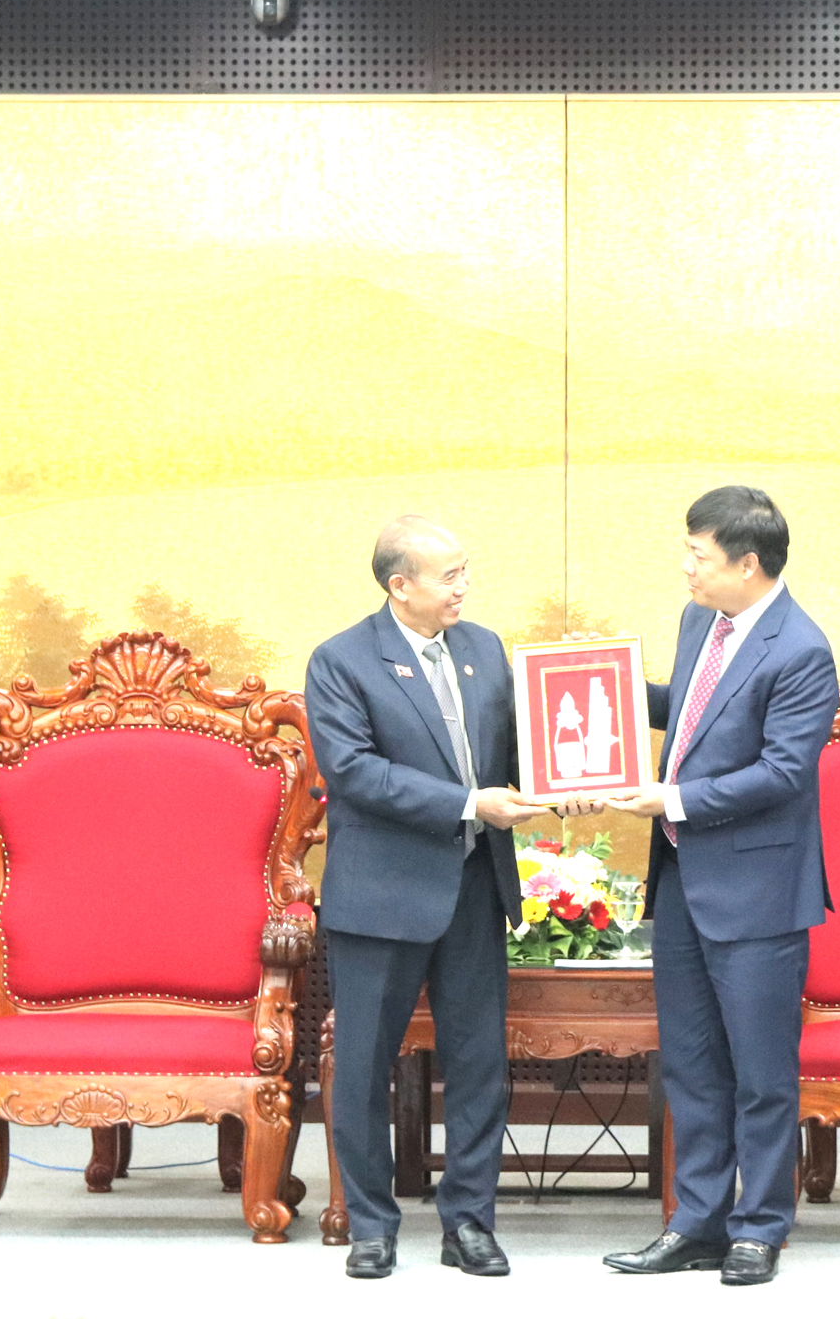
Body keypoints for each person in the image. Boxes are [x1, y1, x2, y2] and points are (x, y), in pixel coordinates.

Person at [599, 486, 840, 1286]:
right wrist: (593, 680)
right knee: (692, 1067)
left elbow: (781, 771)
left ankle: (759, 1226)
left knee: (761, 1073)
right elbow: (692, 715)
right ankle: (695, 1222)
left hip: (759, 894)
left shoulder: (802, 650)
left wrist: (671, 799)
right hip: (682, 885)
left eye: (698, 555)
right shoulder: (700, 619)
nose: (686, 567)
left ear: (748, 563)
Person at [305, 515, 546, 1280]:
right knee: (365, 1063)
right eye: (449, 577)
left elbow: (523, 742)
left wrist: (575, 775)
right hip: (381, 899)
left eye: (466, 571)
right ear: (398, 586)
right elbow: (356, 774)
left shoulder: (482, 649)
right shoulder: (341, 661)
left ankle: (469, 1221)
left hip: (474, 890)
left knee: (478, 1064)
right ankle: (372, 1224)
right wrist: (474, 803)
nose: (463, 589)